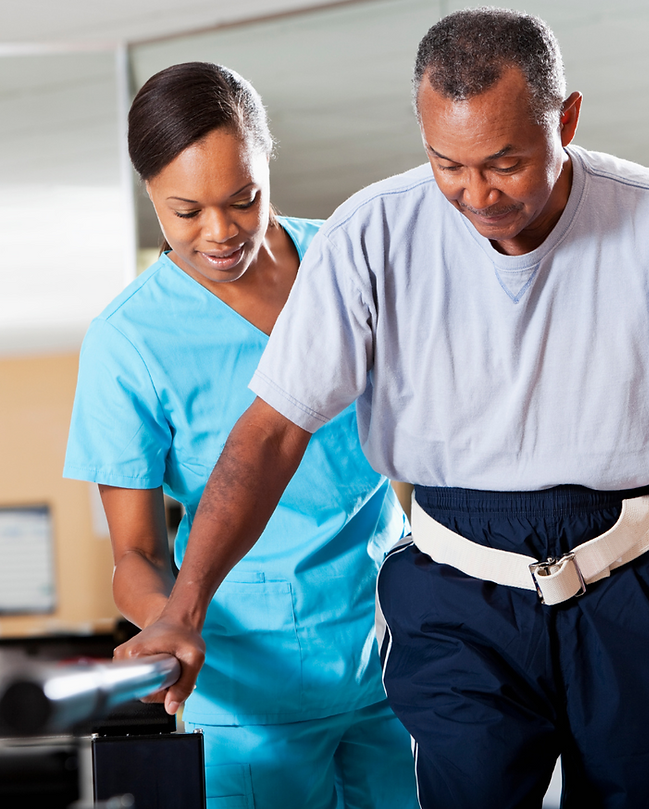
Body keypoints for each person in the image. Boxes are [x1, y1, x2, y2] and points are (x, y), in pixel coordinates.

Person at [116, 12, 649, 809]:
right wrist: (182, 610)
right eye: (448, 164)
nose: (477, 194)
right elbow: (271, 433)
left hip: (636, 577)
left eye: (505, 162)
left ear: (565, 119)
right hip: (456, 591)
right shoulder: (371, 234)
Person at [63, 62, 417, 809]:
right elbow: (135, 554)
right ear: (149, 195)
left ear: (267, 166)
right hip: (248, 687)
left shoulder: (345, 263)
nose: (220, 233)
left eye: (243, 200)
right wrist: (168, 620)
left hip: (394, 658)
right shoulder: (128, 340)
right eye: (185, 211)